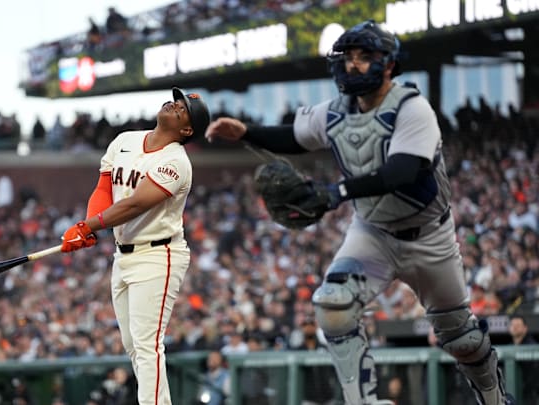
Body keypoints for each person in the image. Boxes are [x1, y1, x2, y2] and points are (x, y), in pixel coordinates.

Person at [205, 20, 513, 405]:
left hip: (429, 236)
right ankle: (360, 402)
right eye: (348, 56)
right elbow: (294, 138)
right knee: (333, 303)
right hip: (374, 233)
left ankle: (494, 397)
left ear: (388, 65)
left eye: (364, 56)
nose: (353, 64)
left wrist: (338, 192)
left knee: (461, 338)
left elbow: (403, 172)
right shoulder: (334, 112)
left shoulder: (412, 108)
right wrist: (246, 132)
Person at [60, 87, 210, 405]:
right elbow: (104, 189)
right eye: (175, 101)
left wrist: (88, 226)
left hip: (159, 254)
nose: (174, 104)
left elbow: (135, 205)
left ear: (186, 130)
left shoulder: (176, 161)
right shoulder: (125, 140)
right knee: (133, 344)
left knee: (147, 345)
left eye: (182, 109)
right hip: (124, 253)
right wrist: (88, 228)